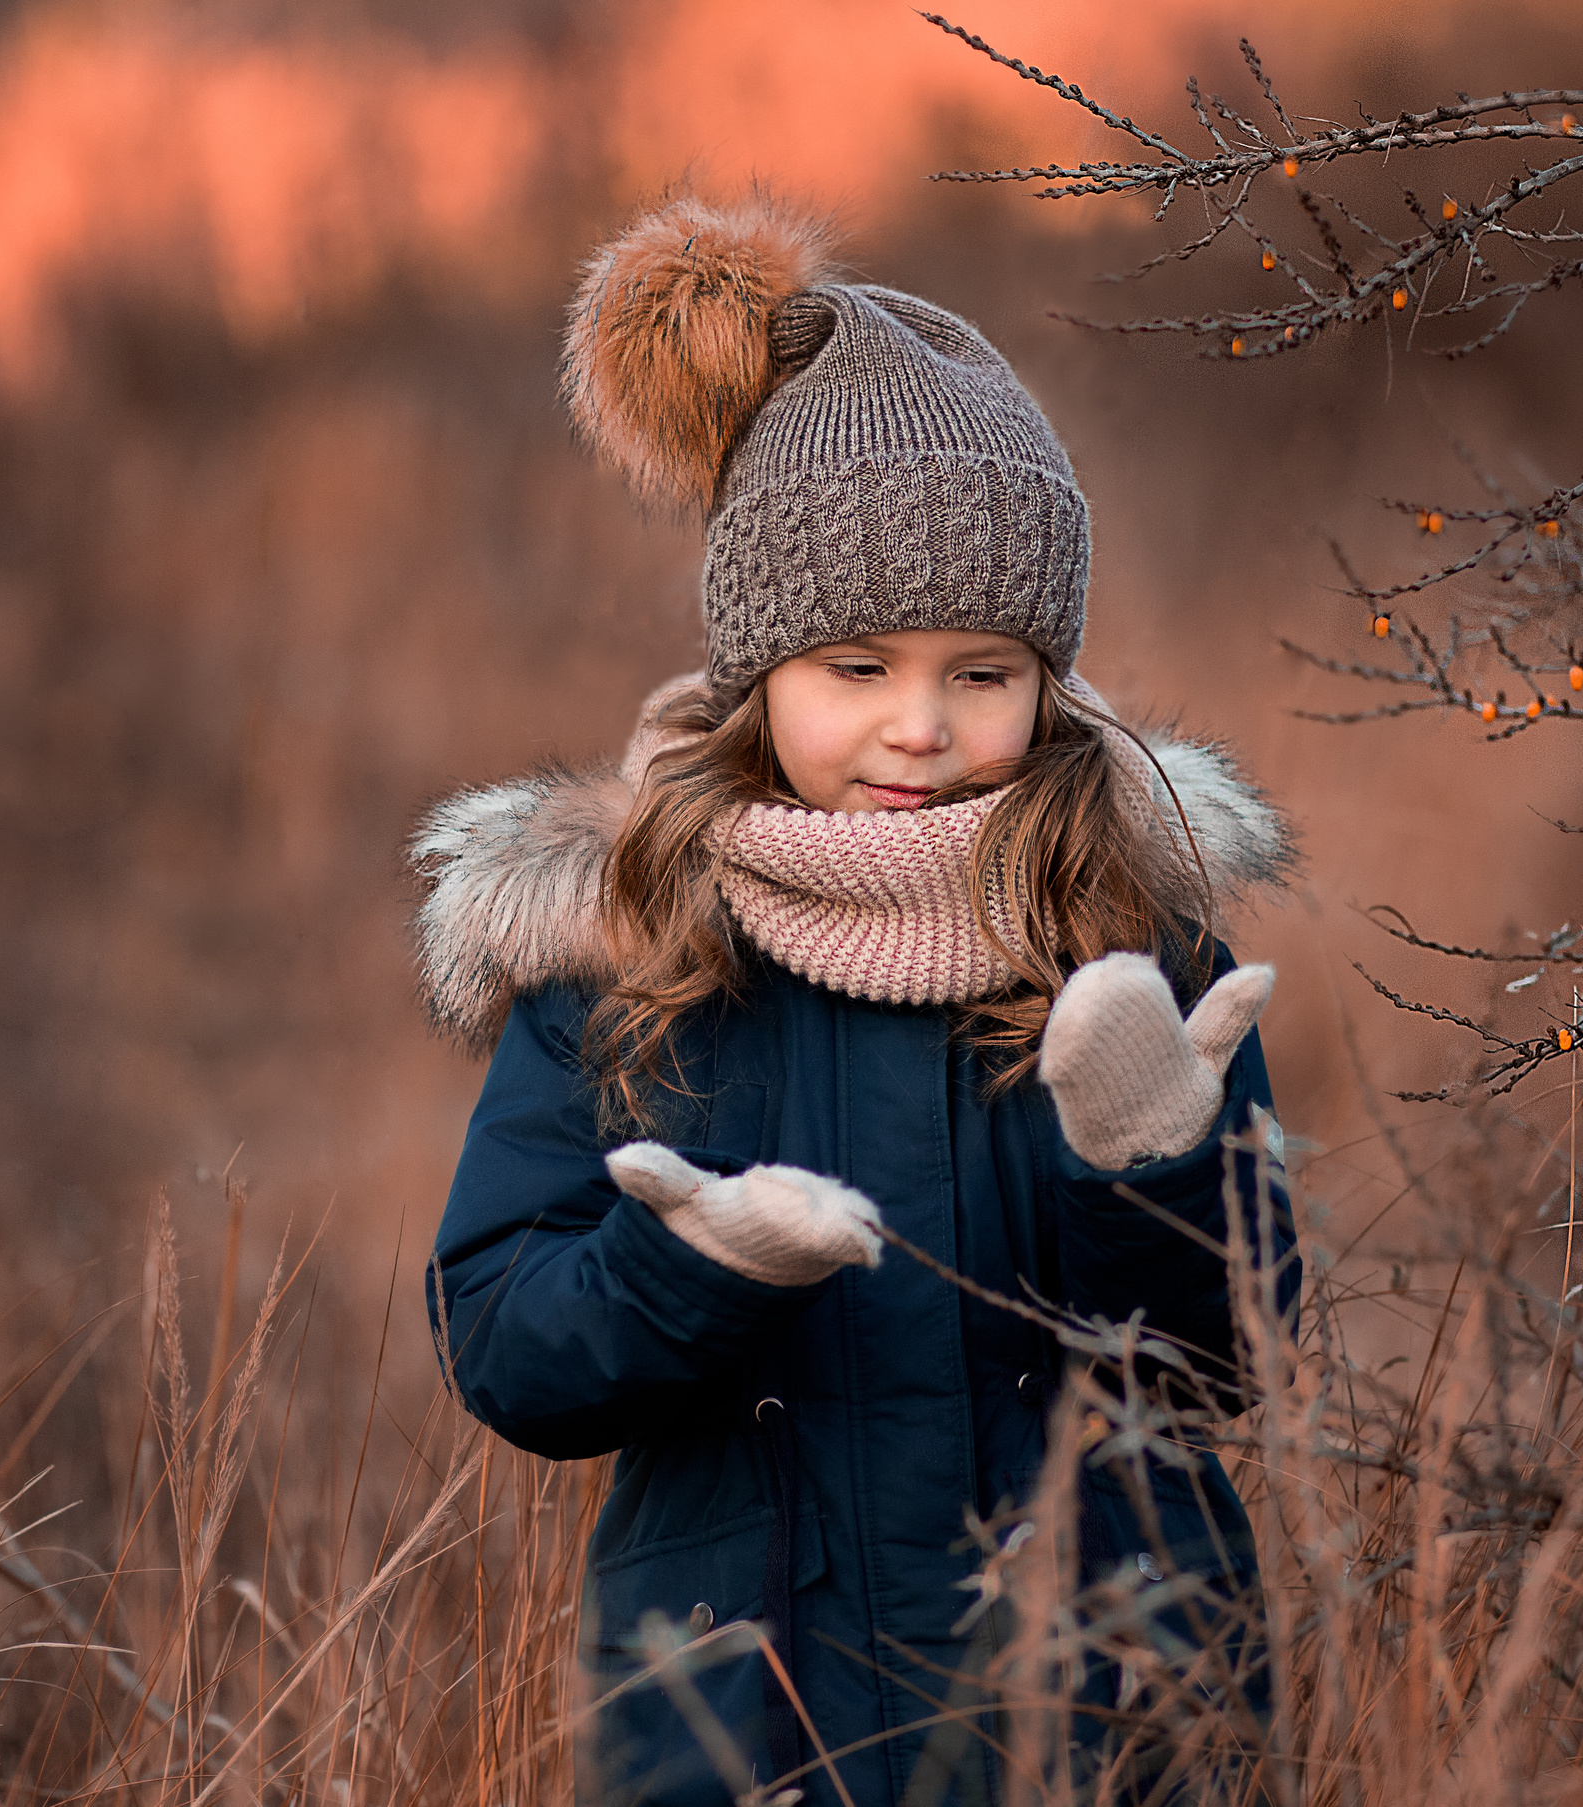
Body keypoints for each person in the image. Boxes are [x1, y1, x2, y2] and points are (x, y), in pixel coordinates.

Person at [414, 194, 1298, 1807]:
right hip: (751, 1734)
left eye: (983, 673)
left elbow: (1233, 1368)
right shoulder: (631, 951)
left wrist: (1156, 1170)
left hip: (1106, 1718)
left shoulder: (1123, 936)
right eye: (856, 667)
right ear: (760, 673)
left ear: (1050, 680)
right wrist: (684, 1268)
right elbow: (508, 1351)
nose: (921, 728)